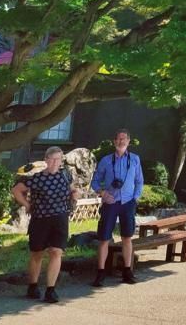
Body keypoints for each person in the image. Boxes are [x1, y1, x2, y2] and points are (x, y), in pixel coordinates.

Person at [11, 146, 81, 303]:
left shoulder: (65, 175)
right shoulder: (36, 177)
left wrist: (74, 194)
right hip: (40, 219)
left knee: (56, 252)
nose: (56, 163)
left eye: (59, 159)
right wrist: (27, 205)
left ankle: (51, 290)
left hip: (60, 218)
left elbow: (71, 190)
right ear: (46, 160)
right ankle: (33, 285)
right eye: (53, 159)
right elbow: (16, 190)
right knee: (37, 253)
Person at [91, 128, 144, 287]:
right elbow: (94, 182)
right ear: (114, 142)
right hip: (111, 203)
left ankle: (127, 271)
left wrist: (135, 197)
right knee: (104, 238)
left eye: (124, 139)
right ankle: (100, 273)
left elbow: (139, 181)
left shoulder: (135, 159)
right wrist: (102, 193)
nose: (121, 142)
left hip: (127, 202)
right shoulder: (106, 160)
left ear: (129, 141)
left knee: (127, 238)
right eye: (118, 139)